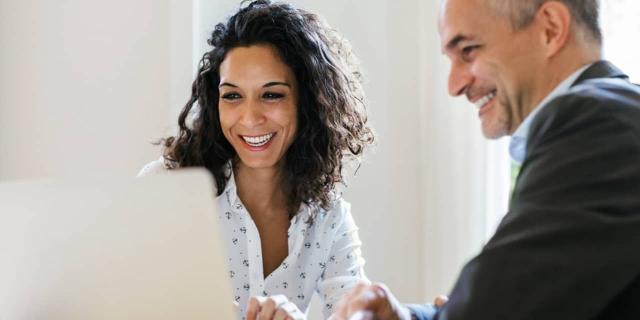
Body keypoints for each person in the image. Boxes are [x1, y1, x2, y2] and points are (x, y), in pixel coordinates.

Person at [331, 0, 640, 319]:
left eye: (467, 51)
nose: (454, 85)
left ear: (550, 29)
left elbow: (495, 309)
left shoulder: (598, 124)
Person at [138, 1, 374, 319]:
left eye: (271, 94)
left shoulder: (327, 218)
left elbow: (360, 313)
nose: (249, 119)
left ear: (308, 102)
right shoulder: (166, 189)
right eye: (232, 96)